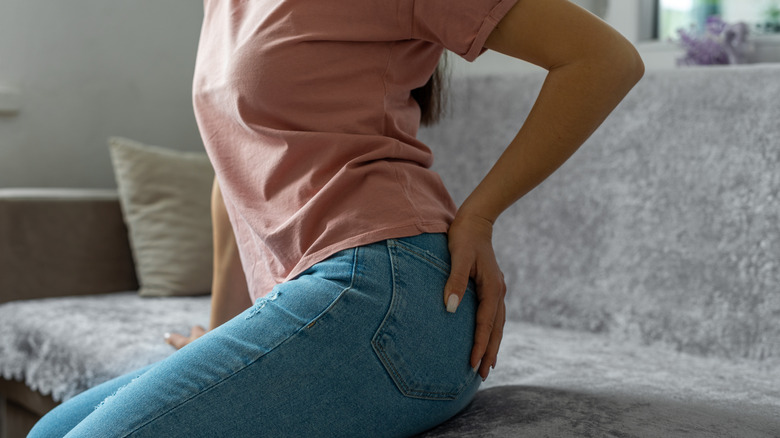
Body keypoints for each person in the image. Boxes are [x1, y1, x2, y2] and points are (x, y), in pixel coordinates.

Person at [29, 0, 643, 436]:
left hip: (394, 294)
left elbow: (603, 59)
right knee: (53, 430)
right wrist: (220, 333)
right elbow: (233, 169)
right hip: (317, 296)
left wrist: (480, 214)